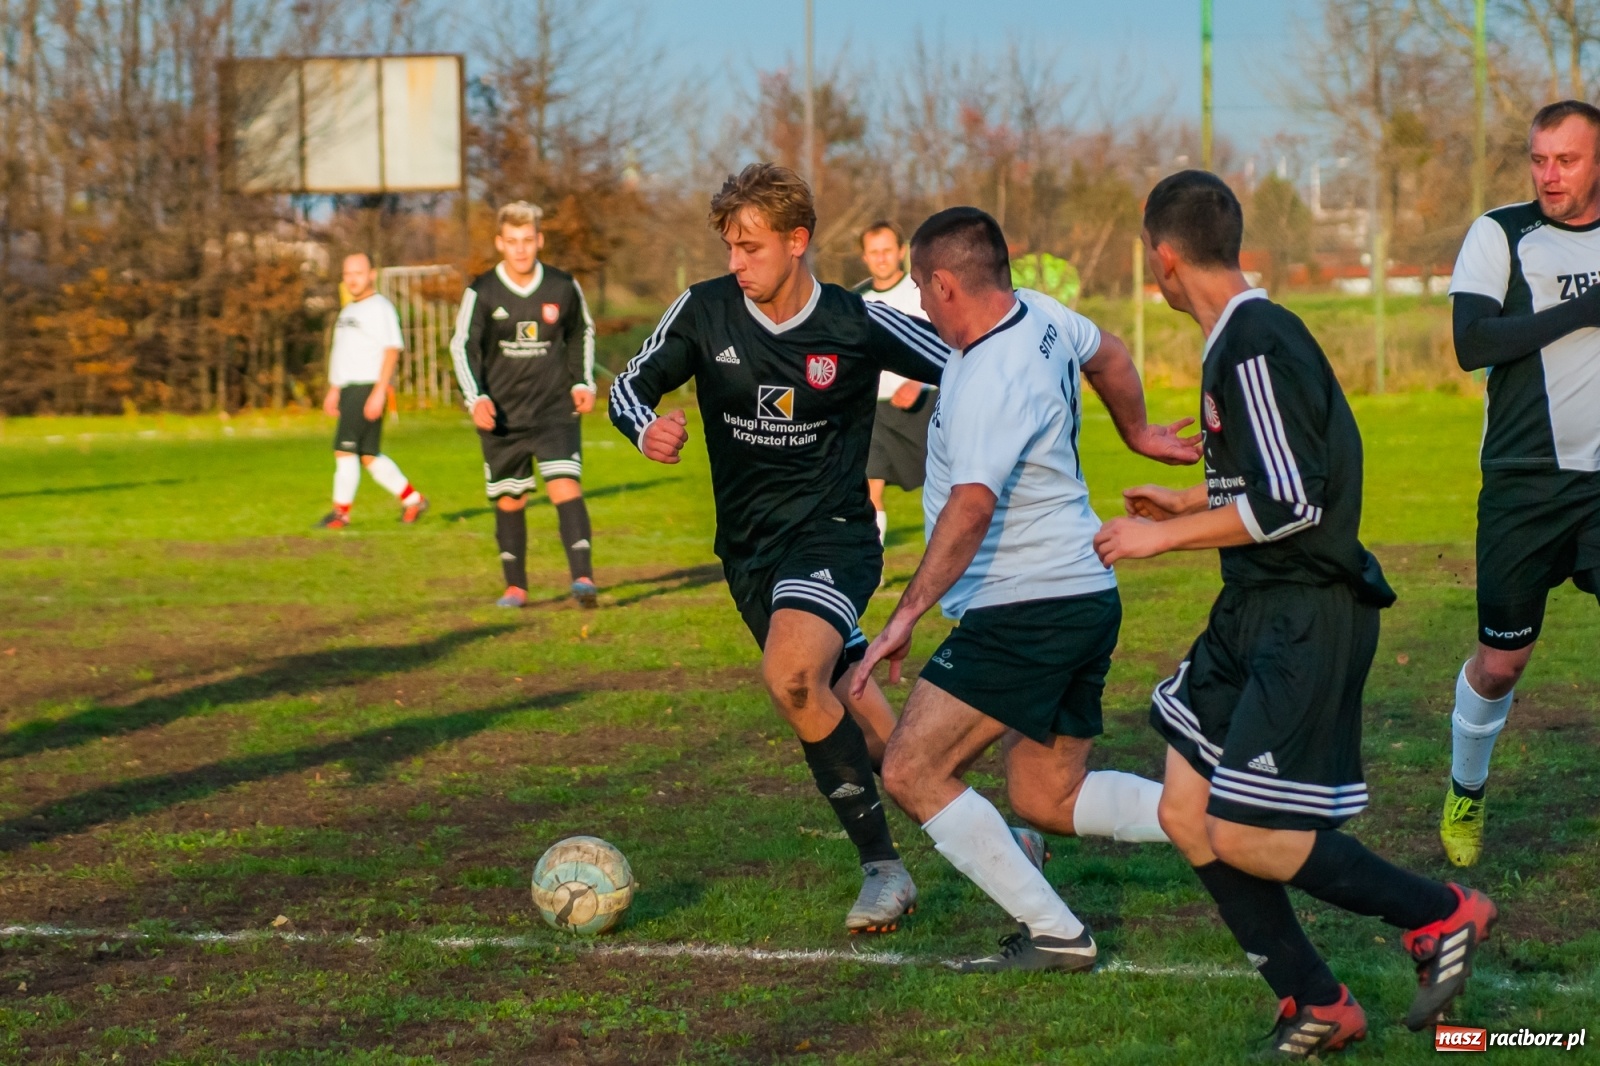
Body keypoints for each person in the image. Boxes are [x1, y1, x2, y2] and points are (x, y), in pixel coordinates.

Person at [1094, 171, 1497, 1057]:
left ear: (1162, 258)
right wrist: (1185, 501)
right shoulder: (1234, 342)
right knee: (1185, 811)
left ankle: (1443, 913)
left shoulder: (1254, 343)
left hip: (1304, 617)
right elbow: (1263, 482)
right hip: (1252, 606)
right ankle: (1318, 1001)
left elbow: (1294, 505)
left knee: (1244, 831)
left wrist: (1161, 542)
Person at [852, 207, 1197, 973]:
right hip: (1080, 595)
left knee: (912, 769)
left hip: (1026, 608)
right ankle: (1224, 819)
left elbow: (972, 508)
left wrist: (906, 614)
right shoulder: (1038, 313)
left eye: (919, 287)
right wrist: (1137, 431)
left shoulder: (986, 377)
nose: (920, 301)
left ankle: (1058, 934)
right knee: (1047, 797)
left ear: (942, 285)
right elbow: (1106, 351)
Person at [608, 163, 950, 935]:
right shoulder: (704, 312)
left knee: (793, 675)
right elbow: (629, 385)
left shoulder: (853, 321)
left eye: (752, 248)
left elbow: (967, 360)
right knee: (845, 695)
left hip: (833, 535)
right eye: (730, 247)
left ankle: (883, 870)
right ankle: (978, 832)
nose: (737, 263)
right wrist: (645, 427)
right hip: (750, 553)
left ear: (797, 242)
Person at [1437, 100, 1600, 868]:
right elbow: (1473, 344)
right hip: (1524, 483)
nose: (1549, 175)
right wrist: (1580, 311)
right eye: (1539, 160)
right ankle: (1466, 790)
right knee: (1502, 662)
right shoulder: (1501, 233)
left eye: (1565, 160)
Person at [450, 201, 599, 609]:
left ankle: (583, 579)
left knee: (564, 485)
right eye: (512, 241)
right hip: (503, 415)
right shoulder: (481, 291)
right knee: (510, 497)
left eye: (527, 240)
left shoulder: (562, 286)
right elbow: (463, 346)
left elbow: (581, 332)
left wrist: (583, 381)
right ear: (500, 243)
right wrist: (475, 396)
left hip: (554, 409)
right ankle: (515, 588)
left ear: (539, 240)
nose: (520, 249)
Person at [318, 252, 429, 529]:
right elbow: (341, 352)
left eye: (358, 273)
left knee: (344, 452)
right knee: (368, 456)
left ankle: (340, 513)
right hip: (349, 389)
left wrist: (380, 391)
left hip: (366, 387)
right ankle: (412, 499)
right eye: (347, 274)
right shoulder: (348, 310)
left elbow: (391, 350)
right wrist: (334, 389)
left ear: (371, 275)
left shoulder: (380, 307)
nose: (352, 279)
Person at [853, 220, 934, 545]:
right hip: (874, 411)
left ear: (901, 252)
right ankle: (875, 566)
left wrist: (918, 382)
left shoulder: (922, 292)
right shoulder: (855, 299)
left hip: (924, 405)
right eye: (874, 252)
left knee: (945, 486)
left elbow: (947, 346)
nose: (881, 258)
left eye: (887, 251)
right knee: (869, 485)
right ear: (865, 257)